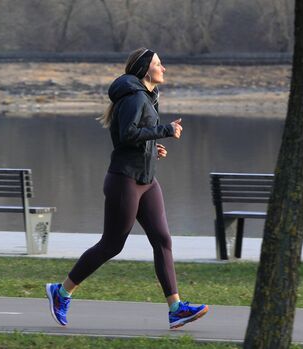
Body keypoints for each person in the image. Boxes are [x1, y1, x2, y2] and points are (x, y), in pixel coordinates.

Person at [45, 48, 208, 330]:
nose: (164, 68)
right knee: (111, 245)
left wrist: (152, 149)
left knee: (163, 239)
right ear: (146, 69)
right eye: (159, 64)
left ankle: (176, 309)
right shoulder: (134, 97)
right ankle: (61, 293)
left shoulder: (146, 96)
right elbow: (127, 135)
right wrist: (165, 131)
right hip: (125, 181)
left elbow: (136, 137)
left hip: (146, 179)